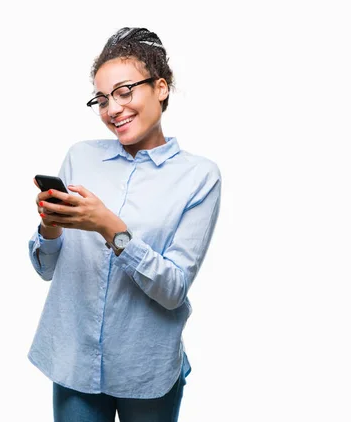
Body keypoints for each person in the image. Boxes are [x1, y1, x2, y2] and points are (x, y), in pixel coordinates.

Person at [27, 27, 221, 422]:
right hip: (74, 359)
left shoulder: (200, 177)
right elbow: (47, 269)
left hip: (145, 367)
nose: (112, 109)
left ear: (161, 88)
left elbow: (173, 290)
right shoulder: (80, 157)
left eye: (124, 91)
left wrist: (111, 229)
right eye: (101, 99)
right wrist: (50, 228)